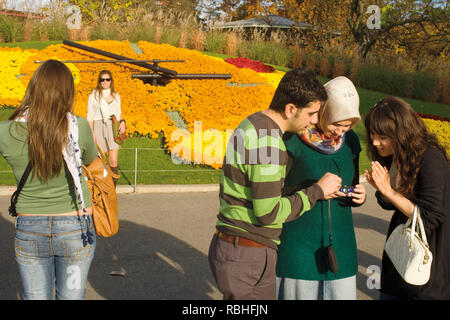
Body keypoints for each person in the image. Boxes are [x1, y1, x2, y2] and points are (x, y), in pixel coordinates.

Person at [208, 68, 345, 300]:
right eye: (311, 113)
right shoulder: (269, 143)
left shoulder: (251, 123)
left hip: (231, 247)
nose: (314, 121)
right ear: (291, 109)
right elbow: (267, 213)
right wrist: (316, 192)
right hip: (249, 254)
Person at [0, 60, 98, 300]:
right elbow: (95, 164)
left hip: (29, 229)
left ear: (34, 88)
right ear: (67, 92)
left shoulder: (6, 130)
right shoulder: (78, 127)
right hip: (75, 228)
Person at [276, 76, 366, 300]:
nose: (340, 132)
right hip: (298, 250)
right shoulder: (292, 139)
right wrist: (316, 190)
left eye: (347, 126)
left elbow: (352, 180)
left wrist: (358, 195)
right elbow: (274, 193)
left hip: (341, 249)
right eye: (336, 124)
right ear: (322, 111)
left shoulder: (351, 141)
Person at [364, 96, 450, 300]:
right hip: (399, 258)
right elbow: (390, 205)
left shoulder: (431, 158)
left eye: (382, 137)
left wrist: (390, 192)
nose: (375, 142)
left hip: (426, 267)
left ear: (400, 132)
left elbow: (430, 218)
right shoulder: (397, 155)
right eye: (372, 135)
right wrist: (383, 190)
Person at [86, 70, 125, 186]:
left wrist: (122, 123)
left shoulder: (116, 95)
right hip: (98, 126)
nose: (105, 82)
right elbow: (90, 116)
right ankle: (101, 186)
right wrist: (92, 133)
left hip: (112, 127)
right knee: (99, 159)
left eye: (107, 79)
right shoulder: (93, 96)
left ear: (111, 81)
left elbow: (119, 113)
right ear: (99, 81)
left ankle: (113, 187)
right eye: (102, 80)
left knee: (113, 160)